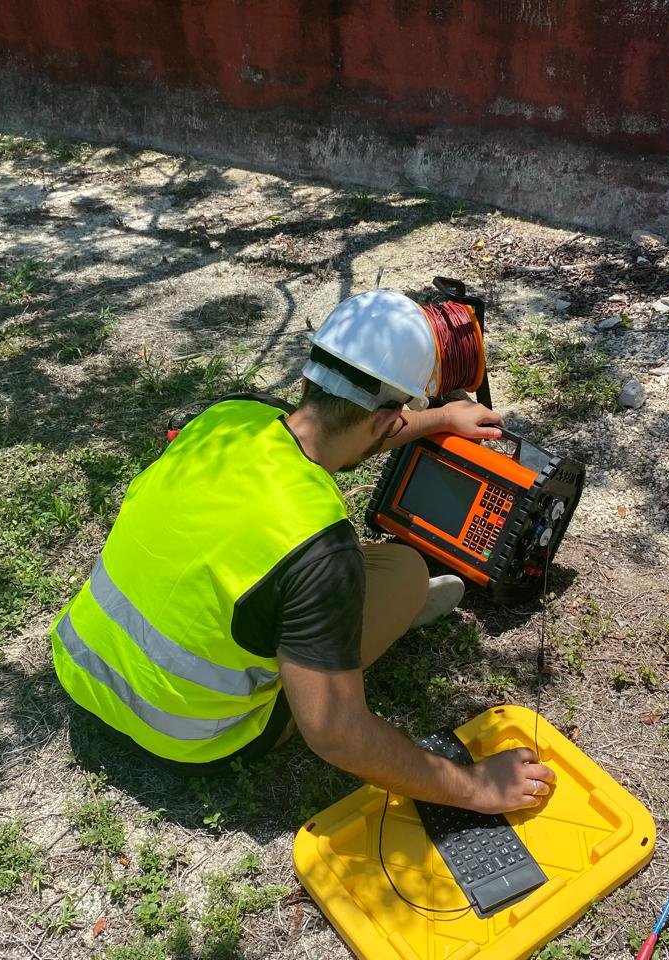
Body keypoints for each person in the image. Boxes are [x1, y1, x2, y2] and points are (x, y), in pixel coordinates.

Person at [52, 289, 555, 814]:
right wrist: (476, 786)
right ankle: (345, 638)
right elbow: (336, 734)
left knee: (334, 568)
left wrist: (441, 420)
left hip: (83, 675)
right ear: (387, 420)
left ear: (309, 380)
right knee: (404, 570)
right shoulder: (320, 547)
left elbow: (346, 430)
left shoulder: (227, 419)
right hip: (189, 738)